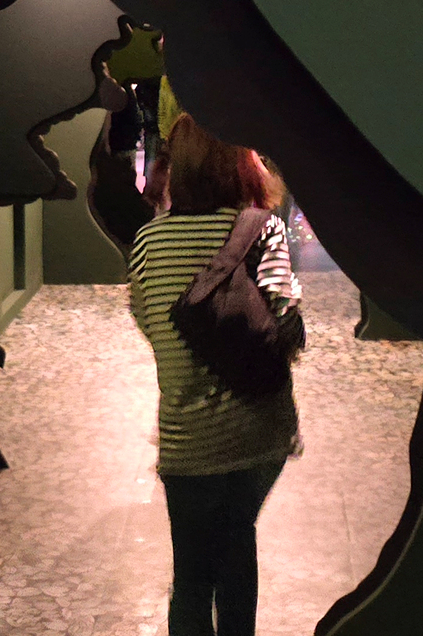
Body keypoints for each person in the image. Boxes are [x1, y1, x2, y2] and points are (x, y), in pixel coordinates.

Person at [127, 113, 303, 636]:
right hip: (259, 430)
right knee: (237, 544)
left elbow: (148, 322)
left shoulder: (148, 242)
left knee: (192, 575)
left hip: (188, 437)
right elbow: (287, 325)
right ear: (240, 163)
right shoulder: (262, 228)